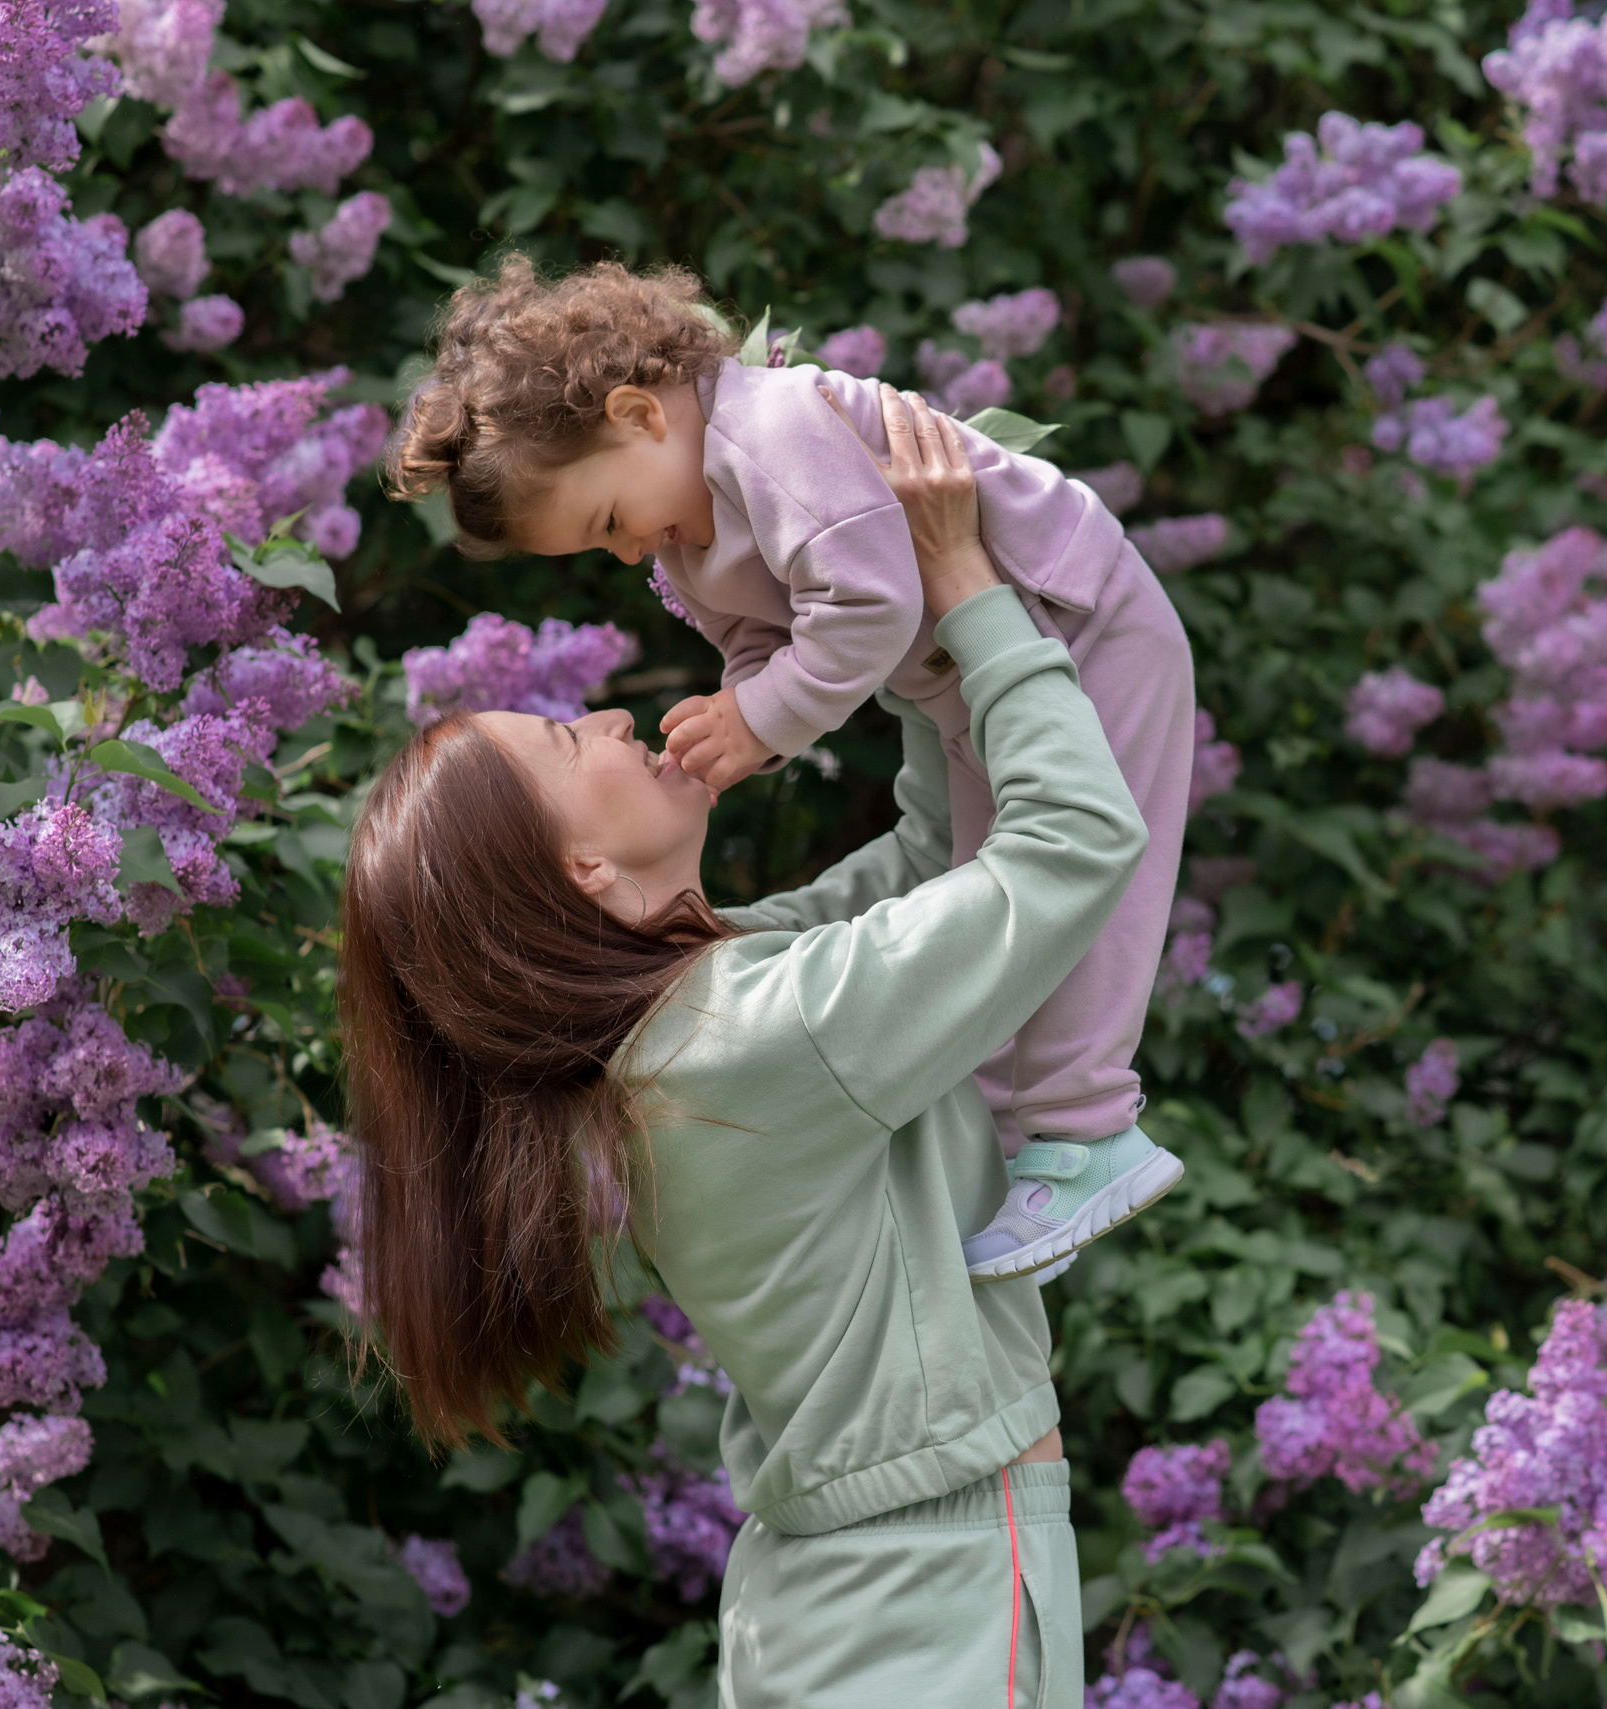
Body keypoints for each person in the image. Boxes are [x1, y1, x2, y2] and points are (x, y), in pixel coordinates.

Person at [343, 387, 1135, 1706]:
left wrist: (891, 618)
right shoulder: (749, 1037)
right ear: (583, 869)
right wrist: (968, 589)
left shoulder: (701, 1010)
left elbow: (944, 861)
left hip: (862, 1598)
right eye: (564, 739)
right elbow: (1068, 847)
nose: (606, 719)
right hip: (918, 1610)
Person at [383, 256, 1188, 1282]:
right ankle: (1013, 1148)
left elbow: (870, 604)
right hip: (978, 675)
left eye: (607, 520)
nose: (629, 552)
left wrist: (762, 720)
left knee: (1083, 883)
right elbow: (771, 639)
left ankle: (1089, 1127)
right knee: (988, 889)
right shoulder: (686, 528)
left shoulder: (770, 429)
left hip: (1080, 622)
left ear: (637, 413)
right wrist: (738, 709)